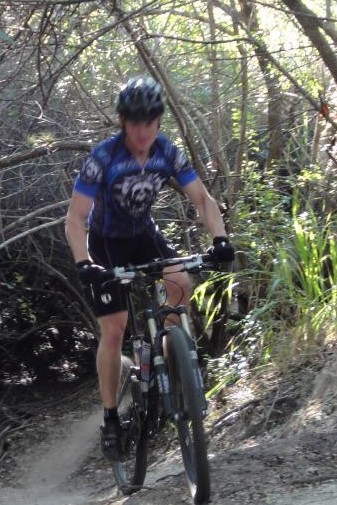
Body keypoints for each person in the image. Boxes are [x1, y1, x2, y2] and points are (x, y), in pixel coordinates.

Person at [64, 76, 234, 461]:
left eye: (150, 123)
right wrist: (83, 262)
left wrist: (220, 239)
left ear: (158, 122)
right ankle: (110, 418)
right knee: (115, 328)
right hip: (106, 245)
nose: (142, 132)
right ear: (124, 122)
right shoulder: (103, 158)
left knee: (180, 282)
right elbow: (75, 218)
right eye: (135, 123)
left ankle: (171, 364)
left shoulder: (166, 152)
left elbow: (202, 199)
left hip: (144, 235)